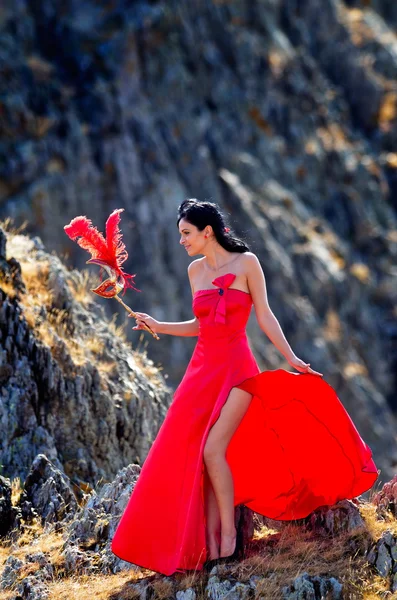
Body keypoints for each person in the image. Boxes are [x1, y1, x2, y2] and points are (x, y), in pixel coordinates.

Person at [110, 199, 379, 576]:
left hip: (238, 371)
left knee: (213, 449)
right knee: (190, 454)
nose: (182, 241)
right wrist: (161, 324)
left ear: (208, 231)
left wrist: (290, 358)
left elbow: (265, 315)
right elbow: (202, 324)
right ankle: (205, 546)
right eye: (180, 235)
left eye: (186, 233)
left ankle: (229, 540)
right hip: (201, 373)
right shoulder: (194, 272)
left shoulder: (247, 263)